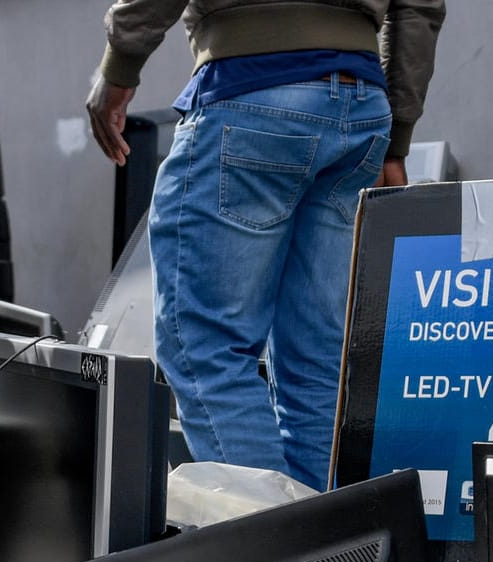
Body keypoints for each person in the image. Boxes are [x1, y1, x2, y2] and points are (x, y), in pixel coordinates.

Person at [86, 0, 445, 489]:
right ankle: (329, 554)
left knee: (207, 351)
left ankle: (279, 557)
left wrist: (120, 65)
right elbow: (419, 4)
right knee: (316, 364)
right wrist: (398, 133)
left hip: (250, 88)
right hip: (360, 109)